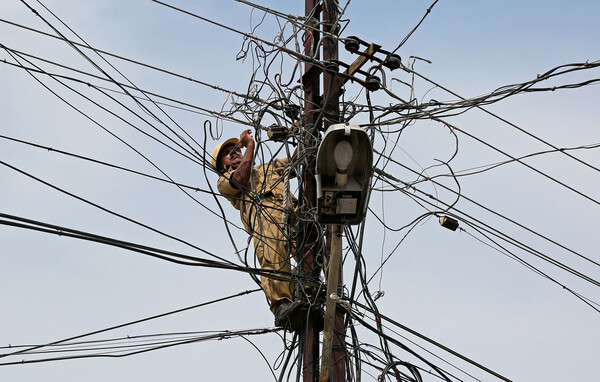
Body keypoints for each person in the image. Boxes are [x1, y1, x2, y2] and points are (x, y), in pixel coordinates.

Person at [211, 129, 305, 328]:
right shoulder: (224, 181)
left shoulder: (267, 168)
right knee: (273, 253)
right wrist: (250, 145)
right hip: (265, 215)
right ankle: (282, 305)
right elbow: (241, 179)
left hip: (294, 214)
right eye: (227, 153)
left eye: (235, 148)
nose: (234, 152)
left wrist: (303, 132)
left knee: (311, 251)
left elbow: (298, 162)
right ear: (222, 166)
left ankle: (309, 292)